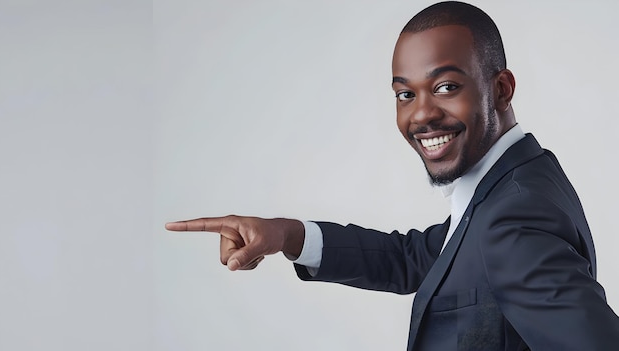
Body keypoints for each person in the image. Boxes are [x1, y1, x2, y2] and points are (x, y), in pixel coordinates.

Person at [165, 1, 619, 350]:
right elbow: (418, 258)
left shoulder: (511, 221)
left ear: (500, 89)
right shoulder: (511, 183)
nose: (421, 114)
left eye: (446, 87)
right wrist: (287, 235)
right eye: (405, 94)